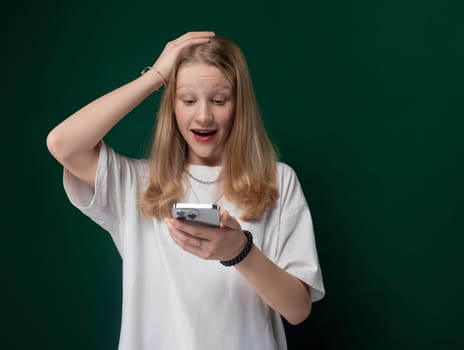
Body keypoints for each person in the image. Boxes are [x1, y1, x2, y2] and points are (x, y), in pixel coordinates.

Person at [47, 31, 325, 349]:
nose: (203, 115)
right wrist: (156, 76)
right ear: (172, 105)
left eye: (219, 100)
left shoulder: (277, 181)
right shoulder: (137, 182)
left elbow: (298, 310)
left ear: (239, 105)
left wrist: (239, 251)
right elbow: (62, 143)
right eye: (188, 99)